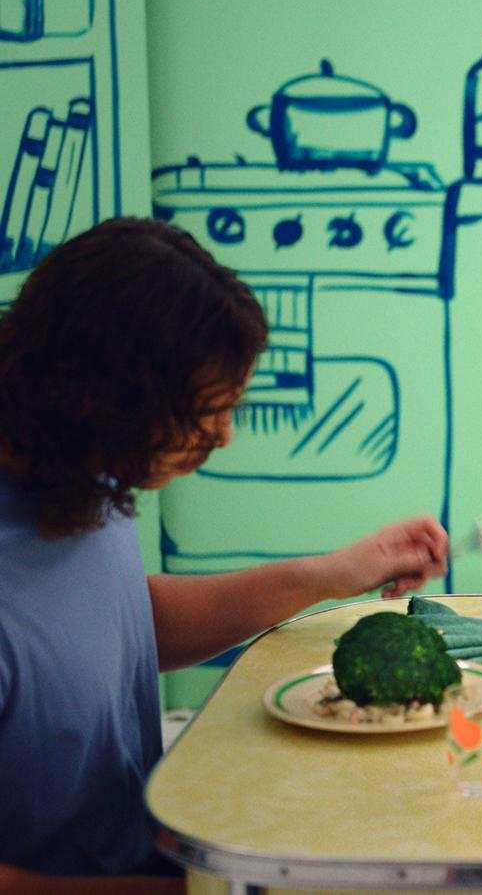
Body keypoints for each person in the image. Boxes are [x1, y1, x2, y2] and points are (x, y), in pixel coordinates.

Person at [0, 218, 449, 877]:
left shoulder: (72, 467)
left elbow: (114, 620)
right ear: (101, 397)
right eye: (204, 417)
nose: (225, 437)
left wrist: (334, 572)